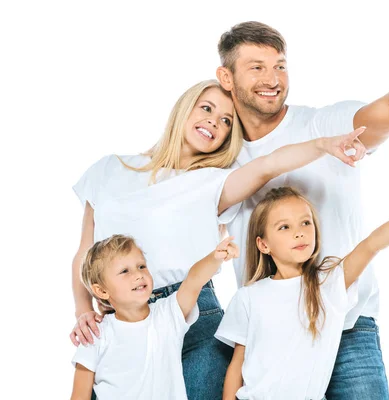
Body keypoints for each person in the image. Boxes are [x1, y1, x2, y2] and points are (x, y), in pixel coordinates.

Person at [216, 21, 389, 399]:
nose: (272, 78)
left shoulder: (322, 125)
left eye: (280, 65)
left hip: (347, 328)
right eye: (256, 67)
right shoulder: (218, 159)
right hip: (271, 337)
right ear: (226, 77)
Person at [69, 79, 366, 399]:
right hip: (124, 321)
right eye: (207, 108)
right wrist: (82, 309)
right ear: (184, 109)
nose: (214, 121)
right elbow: (85, 251)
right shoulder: (107, 169)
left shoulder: (215, 182)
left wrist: (322, 145)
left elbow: (268, 166)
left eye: (226, 121)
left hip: (195, 314)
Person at [215, 185, 389, 400]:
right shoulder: (249, 297)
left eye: (305, 223)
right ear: (263, 244)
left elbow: (372, 244)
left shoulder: (328, 285)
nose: (299, 232)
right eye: (284, 227)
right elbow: (238, 363)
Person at [70, 234, 240, 400]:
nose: (138, 274)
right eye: (124, 271)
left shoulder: (168, 315)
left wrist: (215, 257)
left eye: (141, 266)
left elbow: (194, 280)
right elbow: (79, 395)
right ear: (101, 291)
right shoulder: (95, 334)